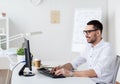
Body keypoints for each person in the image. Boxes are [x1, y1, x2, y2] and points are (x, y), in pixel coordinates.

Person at [51, 20, 117, 84]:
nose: (86, 35)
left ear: (98, 33)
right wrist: (62, 68)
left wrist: (70, 73)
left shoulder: (107, 49)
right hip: (89, 80)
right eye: (85, 32)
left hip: (99, 82)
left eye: (89, 32)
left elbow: (95, 73)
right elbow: (74, 63)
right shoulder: (89, 47)